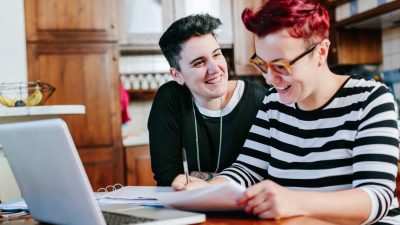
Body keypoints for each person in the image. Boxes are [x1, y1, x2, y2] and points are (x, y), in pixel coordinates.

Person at [172, 1, 400, 224]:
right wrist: (207, 190)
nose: (270, 79)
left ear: (321, 52)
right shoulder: (274, 103)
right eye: (262, 64)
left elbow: (376, 198)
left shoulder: (370, 99)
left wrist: (293, 201)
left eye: (281, 66)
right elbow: (248, 169)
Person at [148, 14, 268, 186]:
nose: (215, 68)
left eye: (217, 55)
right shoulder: (170, 98)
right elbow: (167, 175)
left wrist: (198, 179)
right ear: (177, 75)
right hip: (188, 206)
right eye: (199, 63)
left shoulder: (259, 100)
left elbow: (265, 174)